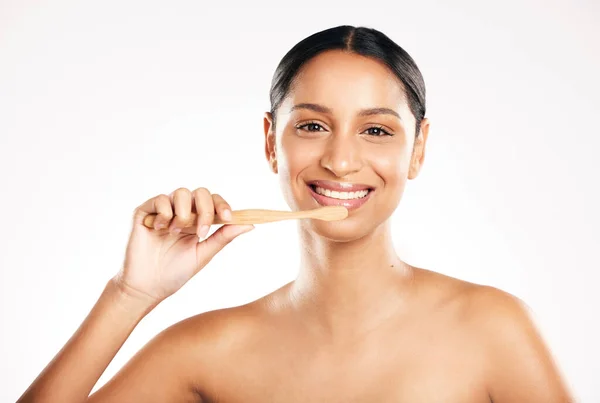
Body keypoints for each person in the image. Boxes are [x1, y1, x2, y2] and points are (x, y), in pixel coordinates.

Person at [17, 25, 572, 403]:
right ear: (270, 141)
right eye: (312, 125)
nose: (341, 160)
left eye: (376, 130)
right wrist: (129, 295)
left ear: (419, 149)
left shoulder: (493, 329)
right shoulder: (205, 351)